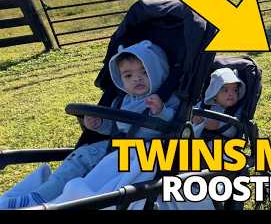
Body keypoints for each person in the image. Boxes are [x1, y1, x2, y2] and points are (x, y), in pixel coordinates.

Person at [0, 40, 180, 209]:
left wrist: (161, 111)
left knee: (84, 157)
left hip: (145, 150)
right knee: (79, 158)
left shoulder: (165, 98)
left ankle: (42, 198)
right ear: (121, 79)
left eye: (144, 72)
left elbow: (175, 124)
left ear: (158, 70)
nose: (137, 79)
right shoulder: (123, 100)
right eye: (128, 75)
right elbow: (115, 127)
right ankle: (41, 196)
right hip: (116, 146)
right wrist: (99, 124)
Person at [192, 68, 246, 141]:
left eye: (235, 90)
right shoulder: (204, 105)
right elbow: (190, 112)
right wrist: (194, 118)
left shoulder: (236, 110)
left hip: (221, 142)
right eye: (225, 90)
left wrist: (219, 126)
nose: (231, 94)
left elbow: (235, 131)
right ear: (214, 93)